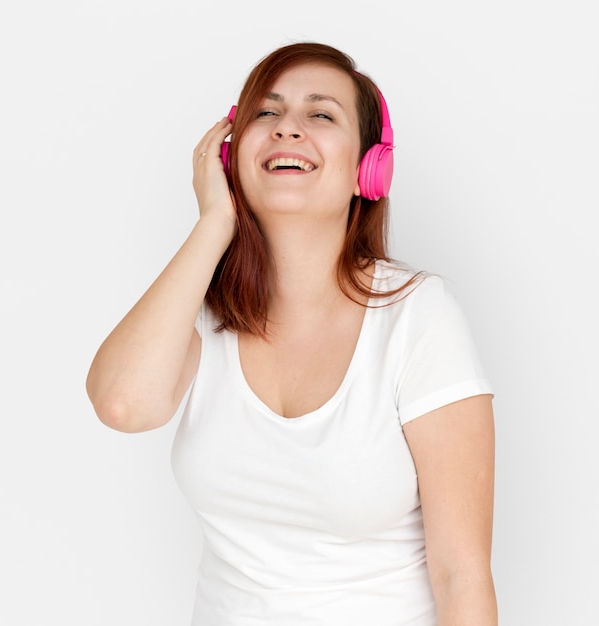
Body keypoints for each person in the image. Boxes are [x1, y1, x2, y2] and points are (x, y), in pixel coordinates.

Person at [86, 42, 497, 626]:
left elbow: (462, 576)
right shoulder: (199, 314)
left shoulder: (418, 315)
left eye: (321, 114)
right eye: (266, 112)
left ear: (369, 168)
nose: (288, 129)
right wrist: (213, 223)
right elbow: (123, 405)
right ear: (230, 155)